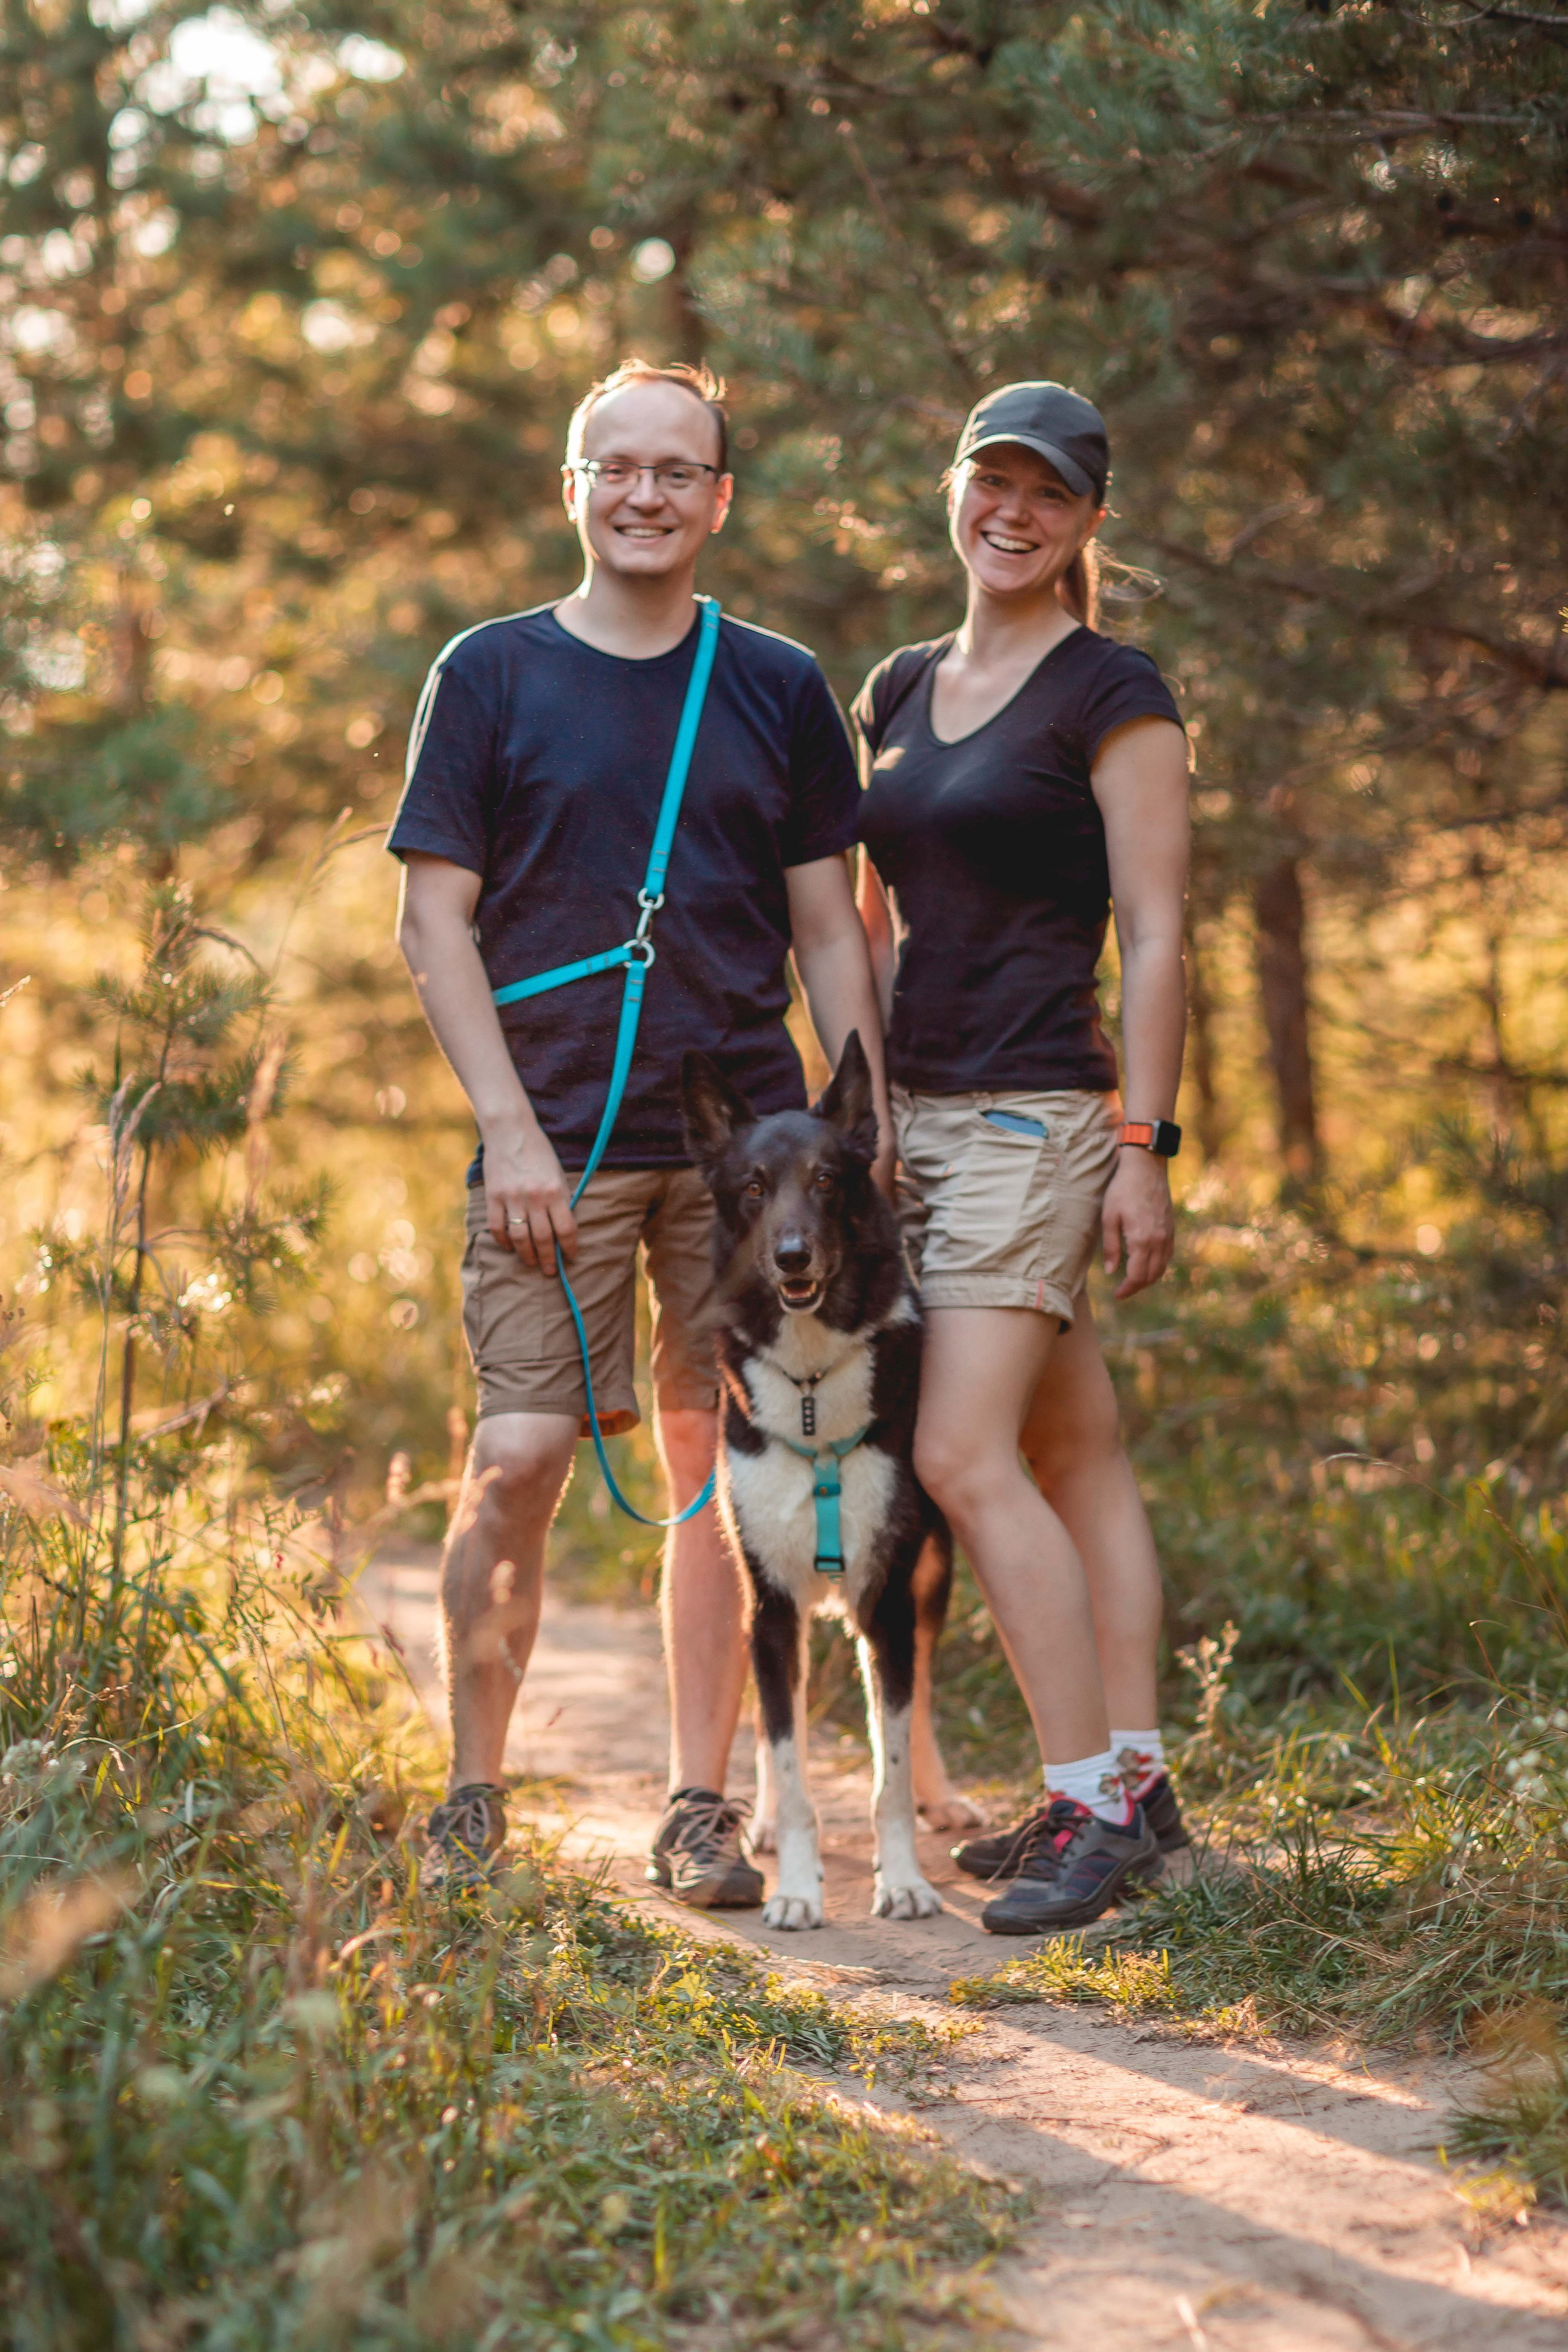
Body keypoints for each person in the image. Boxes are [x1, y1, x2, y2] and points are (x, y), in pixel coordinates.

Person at [390, 358, 891, 1900]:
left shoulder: (777, 684)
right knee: (526, 1448)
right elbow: (431, 922)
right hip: (553, 1140)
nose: (647, 493)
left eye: (679, 470)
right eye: (619, 467)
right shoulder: (487, 672)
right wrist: (512, 1132)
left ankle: (697, 1810)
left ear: (718, 499)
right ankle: (473, 1795)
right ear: (574, 487)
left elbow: (826, 927)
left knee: (709, 1471)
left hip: (747, 1165)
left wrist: (858, 1134)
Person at [854, 380, 1192, 1935]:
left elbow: (1158, 930)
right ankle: (1134, 1770)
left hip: (1031, 1113)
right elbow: (867, 917)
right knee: (1071, 1450)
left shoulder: (1111, 689)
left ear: (1084, 522)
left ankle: (1090, 1810)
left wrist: (1142, 1145)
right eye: (991, 481)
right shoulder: (902, 685)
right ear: (955, 490)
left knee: (957, 1459)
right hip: (913, 1115)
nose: (1012, 511)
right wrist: (847, 1105)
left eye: (1045, 494)